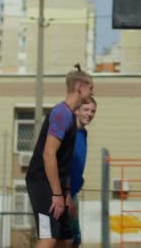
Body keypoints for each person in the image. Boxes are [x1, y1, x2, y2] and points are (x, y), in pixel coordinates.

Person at [25, 65, 94, 248]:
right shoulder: (61, 113)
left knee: (67, 239)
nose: (92, 91)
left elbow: (65, 161)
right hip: (42, 183)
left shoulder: (71, 117)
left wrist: (67, 193)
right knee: (49, 237)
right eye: (90, 88)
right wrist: (56, 194)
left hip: (58, 187)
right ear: (79, 87)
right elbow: (49, 154)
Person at [65, 97, 97, 248]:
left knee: (75, 240)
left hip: (73, 192)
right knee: (65, 239)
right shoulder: (67, 132)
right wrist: (65, 193)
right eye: (86, 110)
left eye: (93, 111)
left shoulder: (83, 133)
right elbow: (61, 164)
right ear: (76, 111)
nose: (89, 114)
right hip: (64, 192)